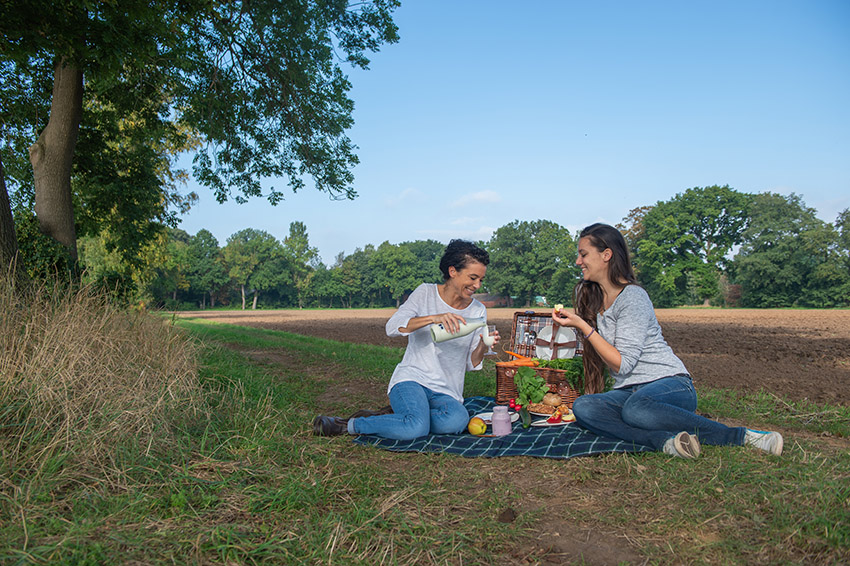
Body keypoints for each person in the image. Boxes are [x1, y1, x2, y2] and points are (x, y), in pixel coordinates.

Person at [551, 223, 783, 458]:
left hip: (669, 385)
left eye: (583, 254)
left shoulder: (633, 297)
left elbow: (623, 364)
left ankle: (740, 436)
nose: (579, 262)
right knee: (585, 407)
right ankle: (664, 442)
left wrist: (582, 325)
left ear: (606, 255)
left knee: (636, 410)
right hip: (629, 392)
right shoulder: (594, 297)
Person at [313, 239, 499, 439]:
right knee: (416, 428)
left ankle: (399, 418)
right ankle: (347, 425)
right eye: (473, 278)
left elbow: (472, 363)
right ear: (453, 271)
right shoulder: (425, 293)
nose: (477, 285)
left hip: (446, 390)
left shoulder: (478, 310)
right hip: (412, 379)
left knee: (457, 421)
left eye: (481, 279)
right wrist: (434, 318)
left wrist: (483, 344)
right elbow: (393, 327)